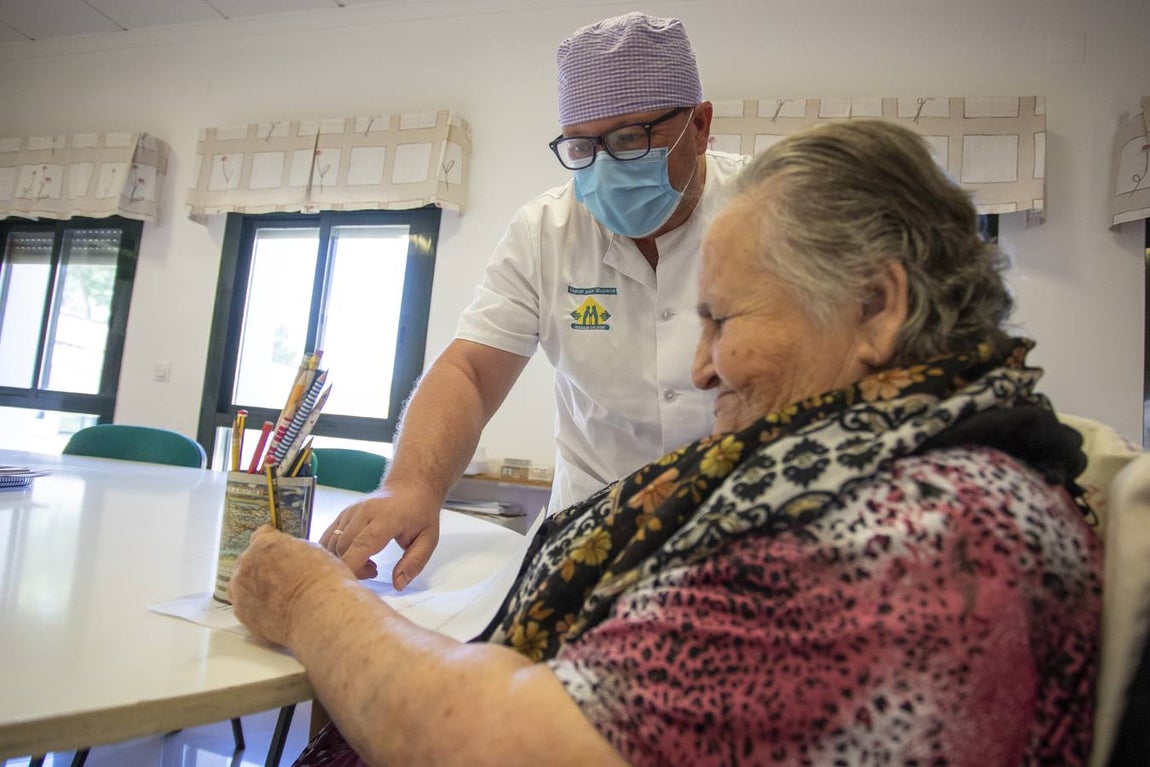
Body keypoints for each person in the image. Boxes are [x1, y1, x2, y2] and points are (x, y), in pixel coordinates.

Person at [230, 119, 1102, 766]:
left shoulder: (916, 539)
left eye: (723, 320)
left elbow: (495, 744)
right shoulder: (907, 463)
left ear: (878, 306)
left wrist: (309, 598)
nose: (700, 368)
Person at [321, 12, 749, 588]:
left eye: (630, 138)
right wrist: (411, 485)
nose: (605, 166)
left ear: (699, 126)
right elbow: (470, 371)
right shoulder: (545, 231)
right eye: (581, 146)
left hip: (748, 538)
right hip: (592, 537)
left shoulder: (772, 211)